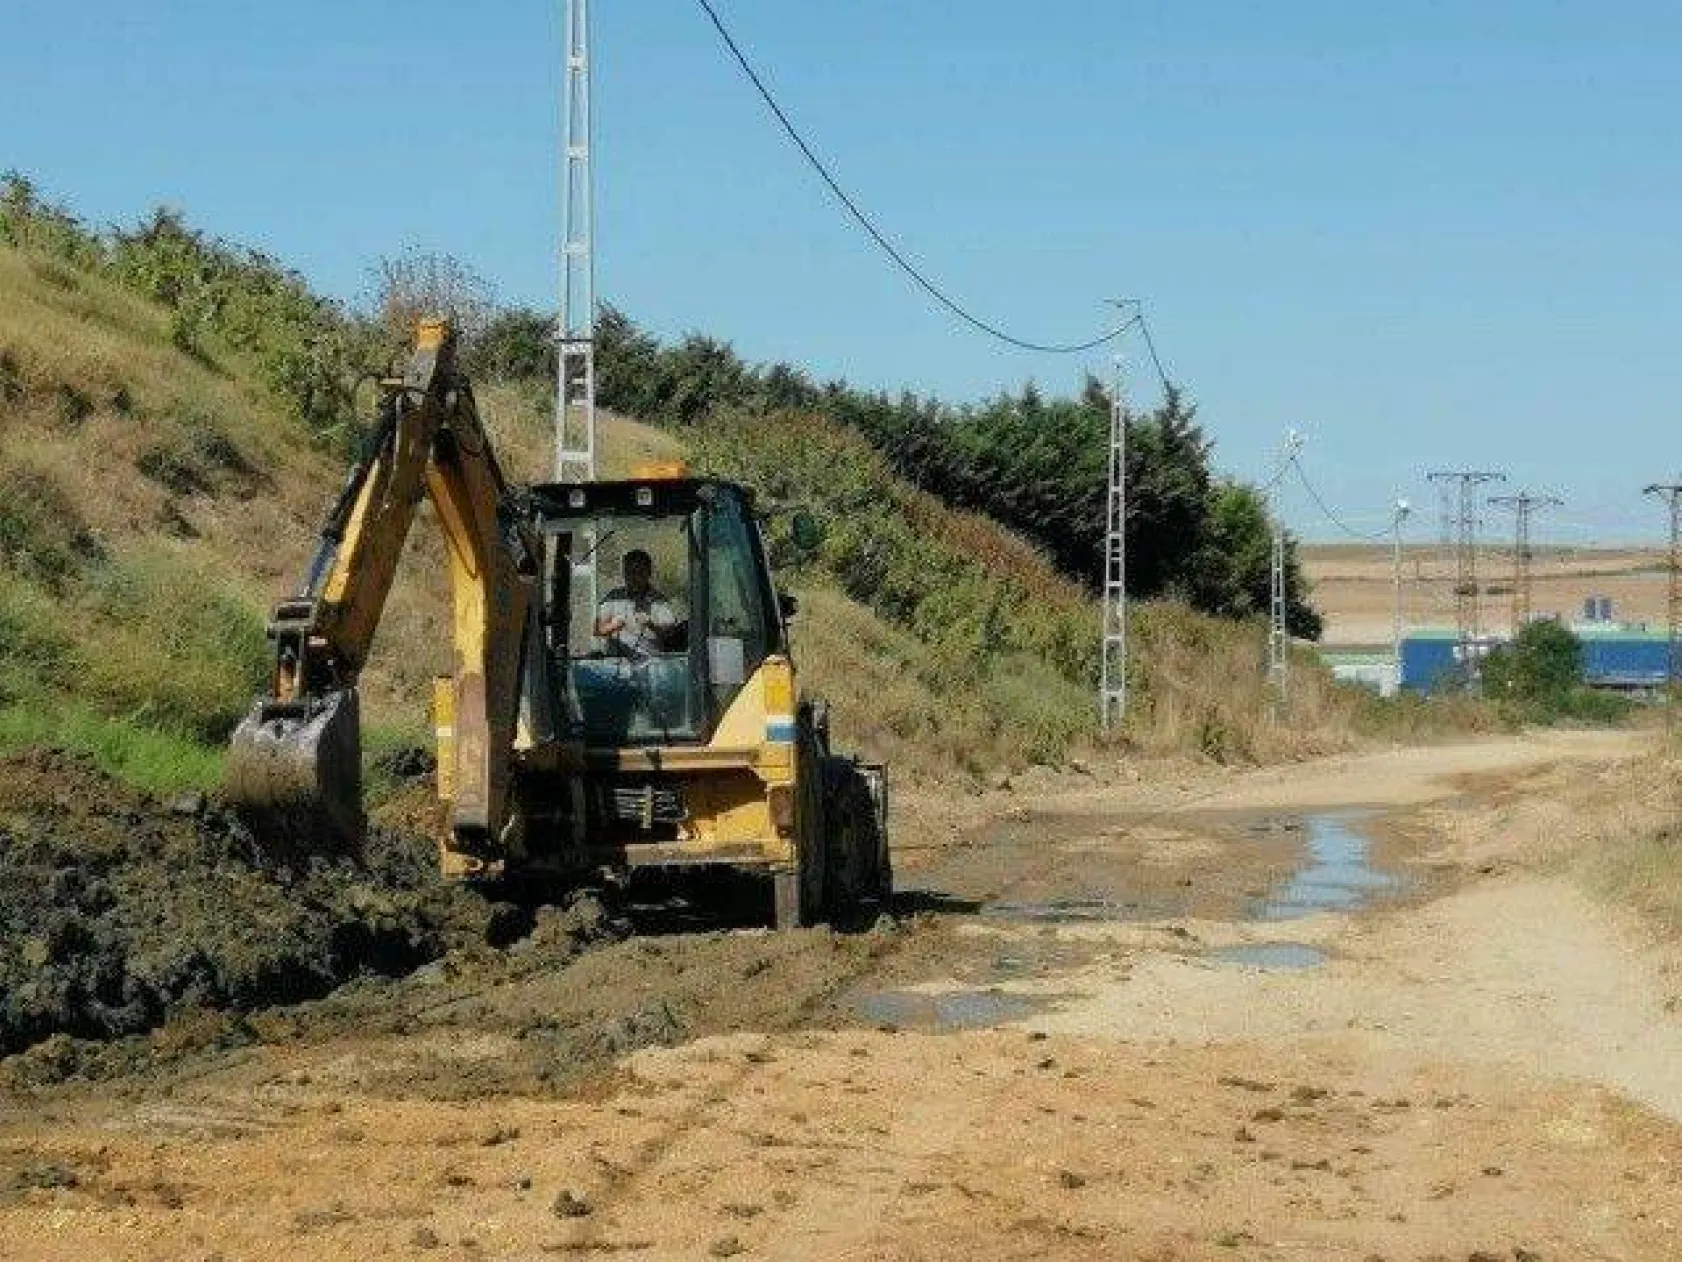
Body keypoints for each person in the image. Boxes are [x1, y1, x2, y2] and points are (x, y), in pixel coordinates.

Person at [595, 549, 680, 658]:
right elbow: (598, 630)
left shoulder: (659, 601)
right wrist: (614, 625)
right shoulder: (614, 597)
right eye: (629, 573)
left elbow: (671, 636)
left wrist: (651, 625)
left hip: (650, 663)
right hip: (615, 662)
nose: (633, 578)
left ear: (648, 573)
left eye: (639, 572)